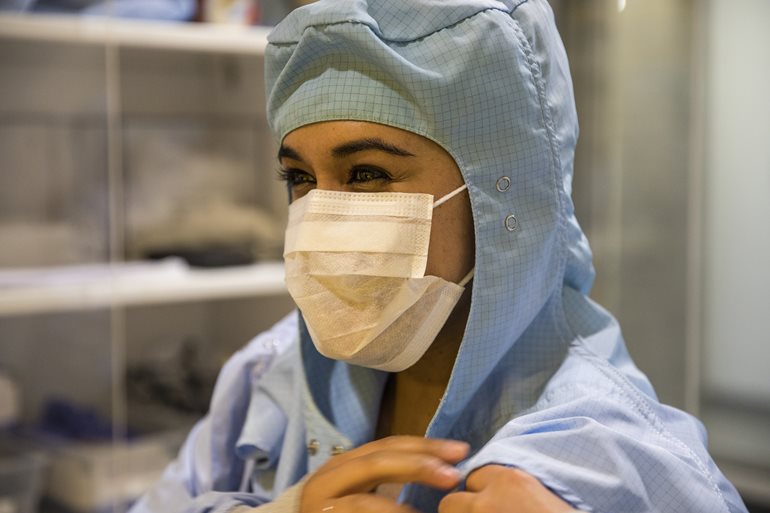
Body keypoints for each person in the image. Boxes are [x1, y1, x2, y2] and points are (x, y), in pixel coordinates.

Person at [130, 1, 748, 512]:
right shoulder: (270, 375)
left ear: (500, 193)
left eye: (366, 172)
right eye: (300, 179)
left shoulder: (610, 448)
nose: (320, 217)